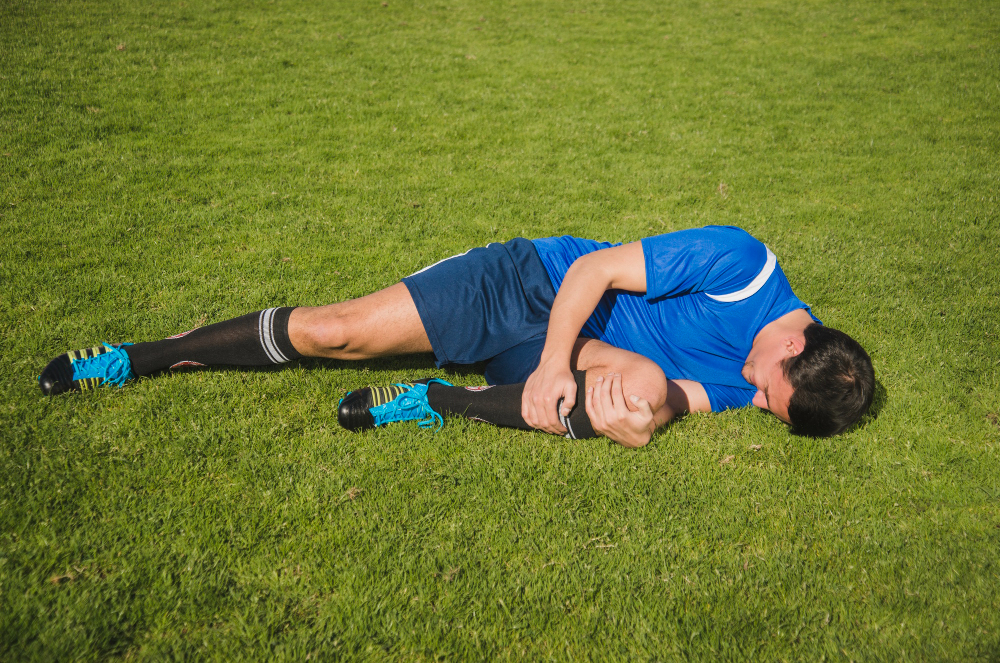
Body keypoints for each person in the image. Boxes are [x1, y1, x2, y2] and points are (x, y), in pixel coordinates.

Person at [38, 226, 875, 446]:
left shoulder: (762, 384)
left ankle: (441, 402)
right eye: (763, 388)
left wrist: (631, 417)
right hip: (532, 285)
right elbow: (593, 278)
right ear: (795, 348)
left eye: (759, 403)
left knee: (652, 397)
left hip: (581, 356)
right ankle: (130, 358)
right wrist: (554, 367)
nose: (747, 392)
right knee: (334, 333)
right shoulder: (742, 266)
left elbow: (671, 398)